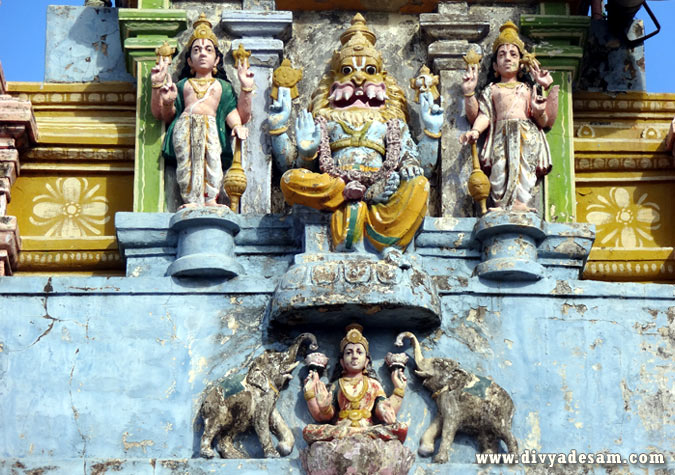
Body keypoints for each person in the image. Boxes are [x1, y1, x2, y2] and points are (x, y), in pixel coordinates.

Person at [270, 14, 443, 253]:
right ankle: (352, 194)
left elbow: (420, 165)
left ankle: (370, 204)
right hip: (336, 183)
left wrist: (432, 131)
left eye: (370, 70)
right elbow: (291, 165)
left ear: (384, 80)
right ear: (333, 80)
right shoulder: (325, 120)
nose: (359, 78)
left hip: (385, 183)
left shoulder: (390, 122)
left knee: (419, 185)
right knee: (291, 181)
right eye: (347, 70)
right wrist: (288, 135)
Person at [150, 13, 254, 208]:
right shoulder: (183, 85)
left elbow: (231, 111)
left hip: (211, 126)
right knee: (188, 164)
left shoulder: (221, 86)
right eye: (196, 50)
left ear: (216, 60)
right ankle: (191, 199)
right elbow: (165, 115)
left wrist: (239, 121)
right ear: (189, 61)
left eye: (208, 50)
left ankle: (210, 199)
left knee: (212, 162)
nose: (202, 54)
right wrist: (167, 100)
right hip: (185, 126)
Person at [460, 21, 559, 212]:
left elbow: (543, 120)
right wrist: (474, 130)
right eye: (502, 55)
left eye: (513, 54)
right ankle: (500, 203)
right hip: (500, 133)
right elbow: (485, 115)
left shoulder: (527, 88)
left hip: (525, 133)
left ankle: (521, 203)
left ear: (522, 64)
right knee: (500, 168)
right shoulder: (492, 89)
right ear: (495, 65)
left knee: (524, 168)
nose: (507, 58)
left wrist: (544, 90)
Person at [302, 324, 408, 443]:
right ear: (342, 362)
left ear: (366, 361)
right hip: (342, 429)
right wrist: (324, 407)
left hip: (367, 429)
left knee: (400, 428)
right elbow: (324, 417)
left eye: (359, 352)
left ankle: (357, 434)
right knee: (309, 430)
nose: (354, 356)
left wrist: (398, 391)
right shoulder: (337, 384)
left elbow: (383, 409)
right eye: (348, 353)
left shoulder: (373, 384)